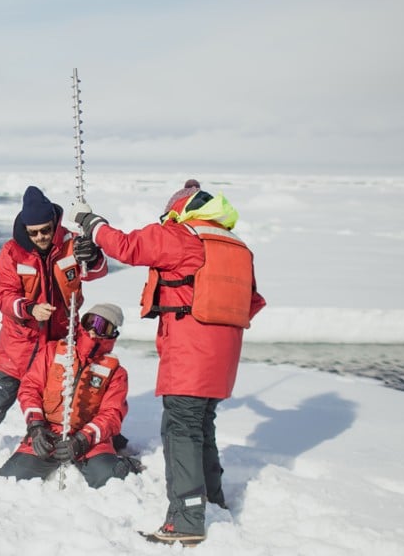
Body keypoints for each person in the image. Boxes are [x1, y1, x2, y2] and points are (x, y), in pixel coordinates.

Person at [73, 179, 266, 546]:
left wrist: (92, 223)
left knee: (180, 432)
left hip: (189, 355)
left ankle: (186, 518)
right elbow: (251, 302)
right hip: (223, 361)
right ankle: (214, 501)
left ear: (180, 210)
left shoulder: (182, 235)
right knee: (200, 426)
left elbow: (127, 247)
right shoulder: (237, 247)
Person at [0, 186, 108, 470]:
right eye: (34, 232)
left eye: (45, 230)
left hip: (59, 342)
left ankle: (58, 454)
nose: (40, 237)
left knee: (60, 404)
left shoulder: (71, 243)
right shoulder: (12, 252)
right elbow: (4, 296)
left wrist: (92, 256)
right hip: (19, 345)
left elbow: (96, 272)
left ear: (54, 224)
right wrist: (29, 308)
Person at [0, 303, 141, 486]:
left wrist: (82, 439)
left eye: (104, 327)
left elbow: (112, 414)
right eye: (91, 322)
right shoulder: (52, 351)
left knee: (110, 478)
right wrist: (36, 426)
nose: (94, 331)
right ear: (82, 323)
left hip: (88, 441)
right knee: (10, 479)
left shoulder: (117, 373)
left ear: (113, 334)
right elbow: (30, 389)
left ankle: (126, 464)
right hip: (49, 433)